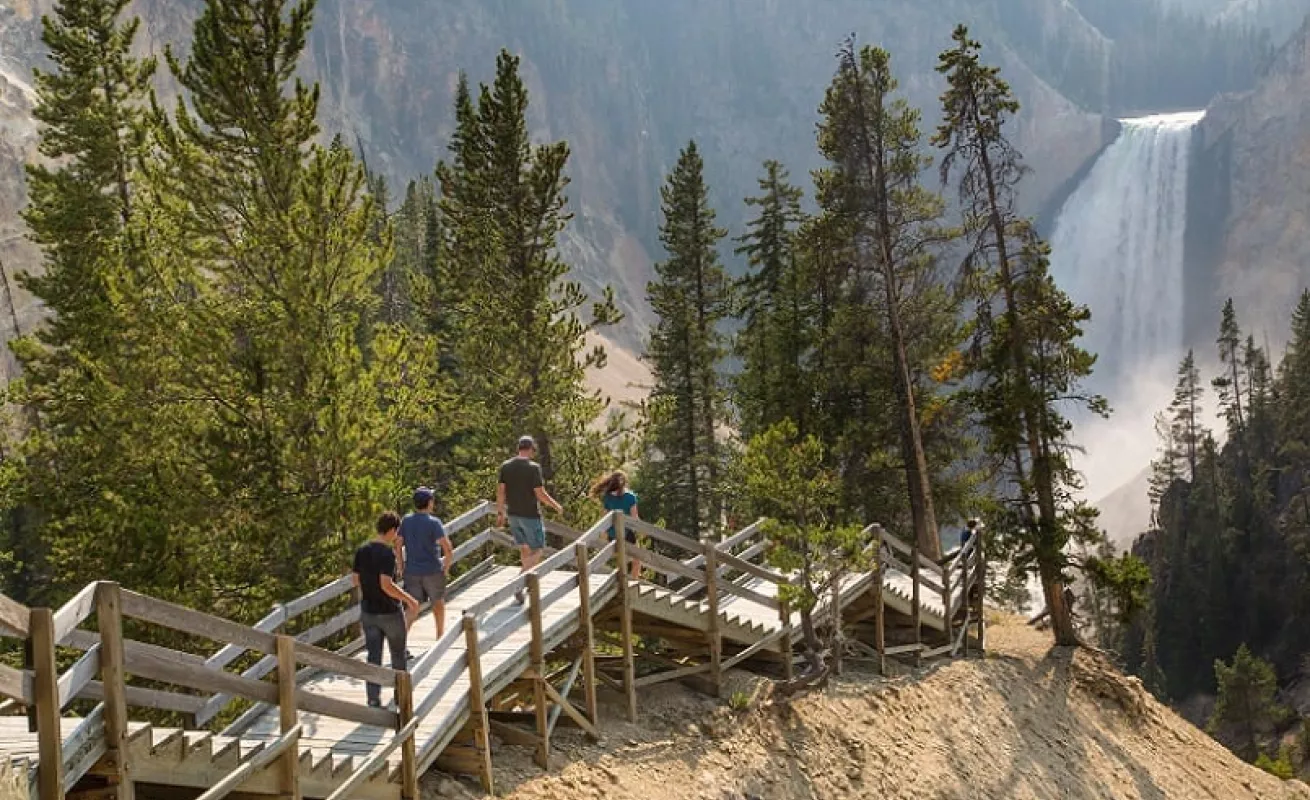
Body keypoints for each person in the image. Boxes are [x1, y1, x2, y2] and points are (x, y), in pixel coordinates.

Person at [352, 512, 419, 708]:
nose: (397, 535)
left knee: (373, 657)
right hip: (389, 612)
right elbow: (386, 585)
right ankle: (402, 698)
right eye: (396, 531)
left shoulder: (362, 550)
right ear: (391, 530)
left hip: (368, 611)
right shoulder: (386, 553)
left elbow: (355, 580)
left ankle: (373, 699)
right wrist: (409, 599)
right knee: (398, 655)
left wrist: (368, 585)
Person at [497, 435, 564, 603]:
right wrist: (555, 505)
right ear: (531, 450)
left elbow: (500, 491)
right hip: (530, 514)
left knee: (524, 549)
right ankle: (518, 582)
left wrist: (500, 512)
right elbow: (540, 494)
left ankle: (525, 585)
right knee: (538, 549)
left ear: (518, 448)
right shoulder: (533, 468)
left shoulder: (505, 466)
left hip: (513, 514)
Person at [397, 487, 454, 639]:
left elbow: (398, 544)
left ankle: (400, 641)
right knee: (438, 602)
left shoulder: (406, 521)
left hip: (412, 571)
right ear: (429, 503)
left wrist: (400, 566)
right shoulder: (434, 523)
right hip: (433, 570)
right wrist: (446, 568)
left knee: (412, 607)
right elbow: (447, 548)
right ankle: (440, 636)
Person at [592, 470, 641, 579]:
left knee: (619, 558)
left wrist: (603, 534)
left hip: (612, 533)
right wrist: (643, 530)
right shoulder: (630, 497)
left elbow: (604, 517)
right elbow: (635, 518)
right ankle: (633, 581)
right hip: (627, 532)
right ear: (625, 483)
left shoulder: (608, 497)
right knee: (637, 558)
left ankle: (619, 580)